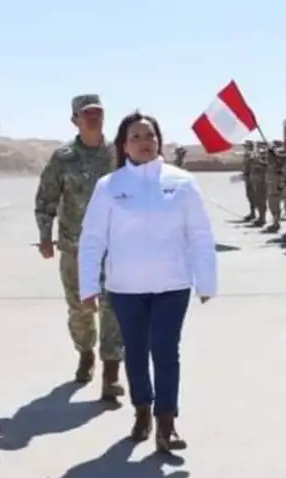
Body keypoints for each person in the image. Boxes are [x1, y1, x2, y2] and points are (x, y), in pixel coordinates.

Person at [77, 111, 217, 453]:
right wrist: (88, 286)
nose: (144, 142)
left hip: (173, 285)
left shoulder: (182, 183)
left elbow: (200, 234)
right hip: (126, 288)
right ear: (124, 145)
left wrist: (206, 280)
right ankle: (142, 411)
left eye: (150, 136)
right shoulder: (109, 186)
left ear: (159, 141)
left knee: (166, 351)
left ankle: (167, 422)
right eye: (135, 137)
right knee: (136, 352)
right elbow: (92, 239)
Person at [34, 93, 125, 402]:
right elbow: (46, 197)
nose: (94, 117)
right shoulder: (63, 158)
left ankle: (111, 373)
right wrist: (45, 235)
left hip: (114, 247)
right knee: (79, 308)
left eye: (98, 112)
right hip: (75, 247)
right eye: (87, 113)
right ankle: (85, 353)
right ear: (74, 119)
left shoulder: (118, 153)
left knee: (114, 308)